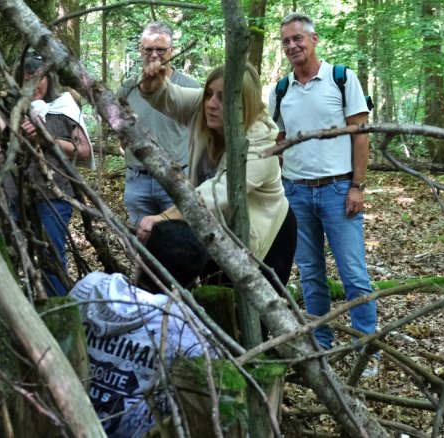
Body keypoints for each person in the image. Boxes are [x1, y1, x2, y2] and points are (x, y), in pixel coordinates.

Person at [268, 12, 377, 374]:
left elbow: (360, 134)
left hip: (338, 189)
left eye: (298, 38)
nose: (292, 46)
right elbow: (276, 140)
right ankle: (322, 342)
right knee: (310, 272)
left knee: (353, 273)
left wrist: (357, 186)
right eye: (285, 41)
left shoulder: (341, 79)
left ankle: (366, 347)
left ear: (314, 40)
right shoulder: (282, 89)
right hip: (296, 192)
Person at [134, 62, 297, 290]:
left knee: (250, 317)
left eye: (222, 97)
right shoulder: (204, 108)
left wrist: (166, 216)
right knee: (212, 303)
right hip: (214, 230)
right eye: (209, 93)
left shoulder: (261, 143)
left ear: (244, 104)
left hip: (267, 238)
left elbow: (218, 192)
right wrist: (153, 86)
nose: (211, 103)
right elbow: (171, 96)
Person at [69, 220, 211, 437]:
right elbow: (211, 397)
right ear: (192, 279)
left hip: (66, 421)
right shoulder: (189, 330)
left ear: (140, 256)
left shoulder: (89, 287)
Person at [4, 53, 95, 297]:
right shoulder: (9, 108)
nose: (34, 84)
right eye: (26, 79)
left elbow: (84, 152)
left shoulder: (63, 106)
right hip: (14, 192)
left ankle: (59, 317)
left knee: (51, 258)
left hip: (53, 195)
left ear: (48, 78)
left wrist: (47, 139)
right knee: (8, 252)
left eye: (38, 78)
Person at [117, 22, 199, 226]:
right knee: (142, 244)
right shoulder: (127, 88)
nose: (154, 55)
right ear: (140, 50)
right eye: (149, 49)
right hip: (138, 180)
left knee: (177, 244)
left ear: (172, 51)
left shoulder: (189, 87)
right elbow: (122, 134)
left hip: (176, 179)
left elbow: (201, 136)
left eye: (161, 49)